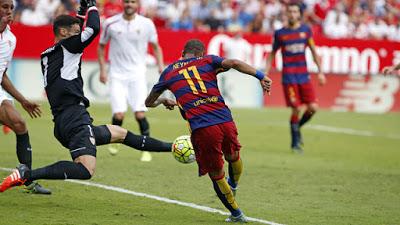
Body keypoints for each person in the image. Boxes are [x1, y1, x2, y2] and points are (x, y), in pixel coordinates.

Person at [0, 0, 173, 193]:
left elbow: (82, 30)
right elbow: (93, 28)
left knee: (121, 134)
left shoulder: (48, 54)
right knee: (86, 169)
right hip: (75, 118)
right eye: (75, 31)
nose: (79, 35)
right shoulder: (68, 47)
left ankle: (172, 147)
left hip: (65, 121)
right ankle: (26, 175)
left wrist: (82, 13)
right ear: (64, 33)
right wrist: (92, 7)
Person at [145, 39, 272, 222]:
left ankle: (236, 214)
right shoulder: (208, 61)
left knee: (216, 174)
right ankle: (234, 185)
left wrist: (163, 100)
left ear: (182, 52)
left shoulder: (169, 72)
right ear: (202, 53)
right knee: (233, 156)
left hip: (203, 127)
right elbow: (235, 63)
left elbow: (148, 102)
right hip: (225, 120)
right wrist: (261, 76)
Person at [97, 0, 164, 162]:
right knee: (119, 113)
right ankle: (115, 140)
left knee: (140, 113)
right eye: (127, 1)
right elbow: (101, 47)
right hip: (117, 74)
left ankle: (146, 149)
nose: (129, 4)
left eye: (133, 2)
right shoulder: (110, 23)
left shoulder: (147, 24)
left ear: (137, 5)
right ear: (123, 4)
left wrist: (161, 67)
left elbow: (156, 46)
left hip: (137, 75)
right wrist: (103, 69)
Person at [0, 0, 50, 194]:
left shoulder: (11, 39)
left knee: (19, 123)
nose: (9, 11)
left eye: (11, 8)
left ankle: (26, 179)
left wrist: (23, 100)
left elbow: (2, 75)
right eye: (4, 6)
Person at [265, 3, 326, 153]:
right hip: (289, 78)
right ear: (286, 14)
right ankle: (295, 143)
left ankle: (297, 127)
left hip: (304, 76)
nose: (292, 14)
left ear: (299, 14)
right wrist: (265, 72)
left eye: (295, 11)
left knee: (313, 108)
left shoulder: (306, 30)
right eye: (290, 11)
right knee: (296, 108)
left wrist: (321, 72)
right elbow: (272, 53)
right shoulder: (280, 33)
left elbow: (313, 51)